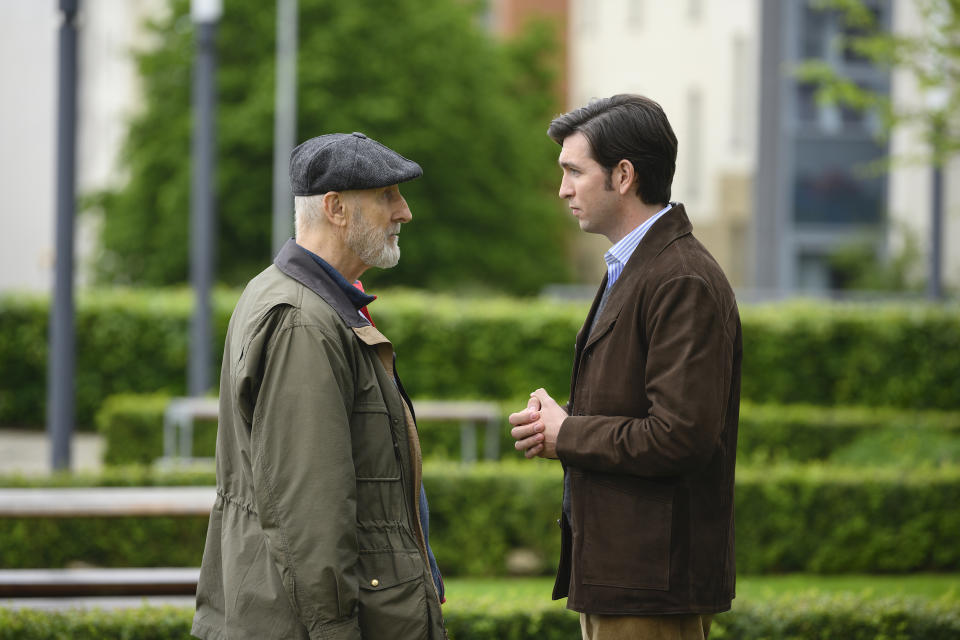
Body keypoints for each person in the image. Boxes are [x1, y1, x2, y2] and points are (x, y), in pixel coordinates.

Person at [192, 132, 447, 640]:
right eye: (387, 196)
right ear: (335, 208)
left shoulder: (302, 299)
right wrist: (334, 630)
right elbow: (310, 511)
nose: (404, 212)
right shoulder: (304, 321)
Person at [508, 95, 742, 640]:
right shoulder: (641, 266)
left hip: (650, 586)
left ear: (623, 175)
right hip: (625, 577)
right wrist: (561, 428)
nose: (563, 188)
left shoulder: (680, 279)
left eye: (573, 171)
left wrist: (569, 433)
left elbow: (680, 437)